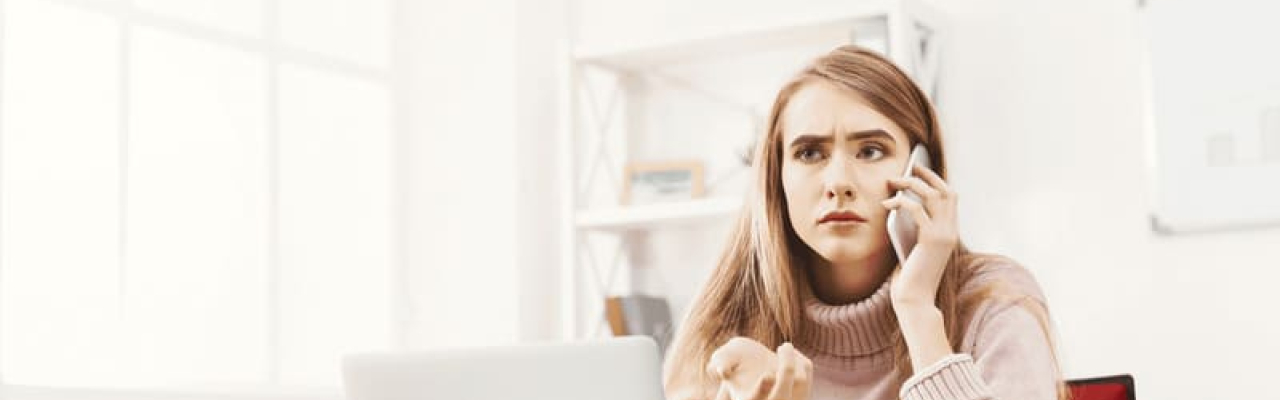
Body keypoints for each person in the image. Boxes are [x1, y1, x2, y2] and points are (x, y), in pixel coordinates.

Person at [662, 45, 1067, 400]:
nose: (838, 183)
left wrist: (918, 311)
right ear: (776, 178)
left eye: (871, 151)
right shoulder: (726, 333)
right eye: (810, 153)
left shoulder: (995, 303)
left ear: (922, 170)